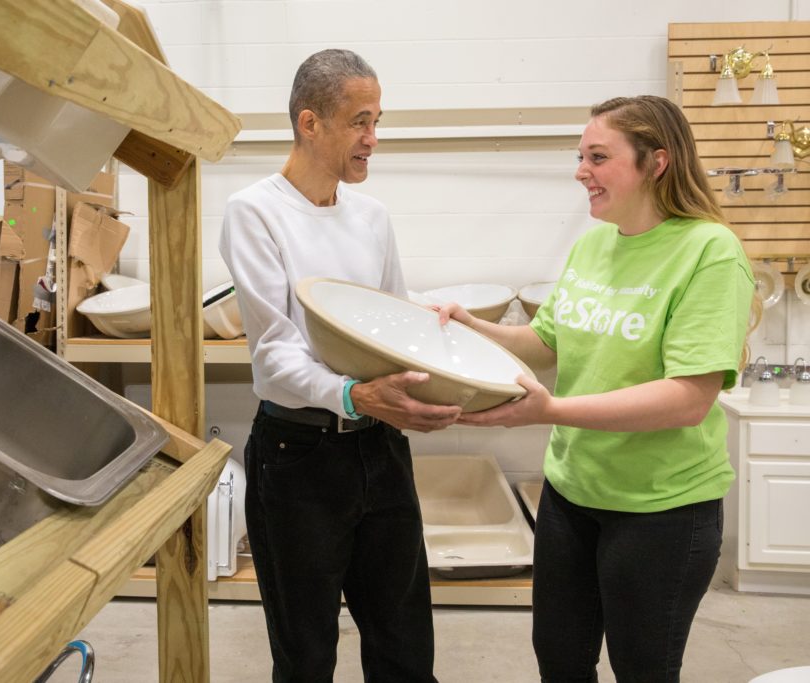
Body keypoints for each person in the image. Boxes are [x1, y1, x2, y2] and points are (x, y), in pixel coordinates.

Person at [438, 95, 755, 682]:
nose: (580, 171)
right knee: (560, 661)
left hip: (662, 511)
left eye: (598, 157)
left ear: (656, 162)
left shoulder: (709, 253)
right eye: (580, 156)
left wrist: (549, 409)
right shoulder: (593, 244)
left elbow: (689, 398)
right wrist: (470, 326)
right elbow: (546, 342)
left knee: (642, 669)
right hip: (571, 495)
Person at [219, 49, 461, 682]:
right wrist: (355, 396)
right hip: (298, 456)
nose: (372, 140)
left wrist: (445, 371)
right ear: (310, 123)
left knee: (405, 649)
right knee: (305, 657)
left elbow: (396, 327)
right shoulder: (255, 213)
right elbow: (274, 354)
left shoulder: (371, 217)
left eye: (377, 121)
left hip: (381, 452)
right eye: (360, 122)